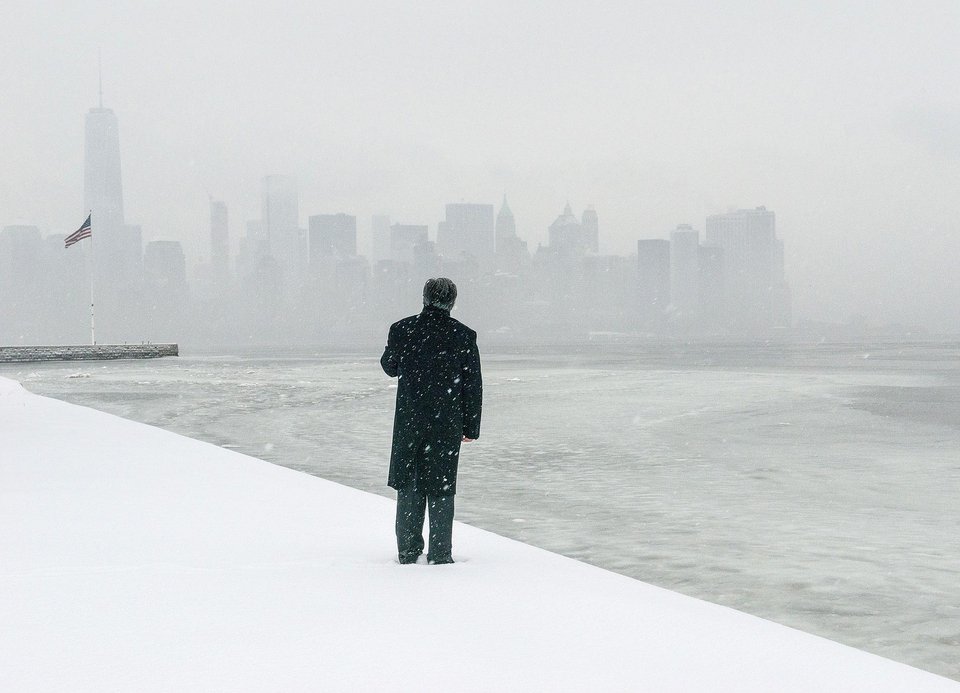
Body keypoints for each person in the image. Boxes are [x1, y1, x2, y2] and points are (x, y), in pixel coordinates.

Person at [380, 277, 482, 565]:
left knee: (410, 486)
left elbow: (390, 367)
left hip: (410, 420)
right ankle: (440, 553)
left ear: (424, 298)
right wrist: (470, 428)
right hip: (446, 423)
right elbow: (472, 385)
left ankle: (408, 552)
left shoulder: (402, 330)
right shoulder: (463, 335)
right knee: (441, 487)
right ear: (452, 302)